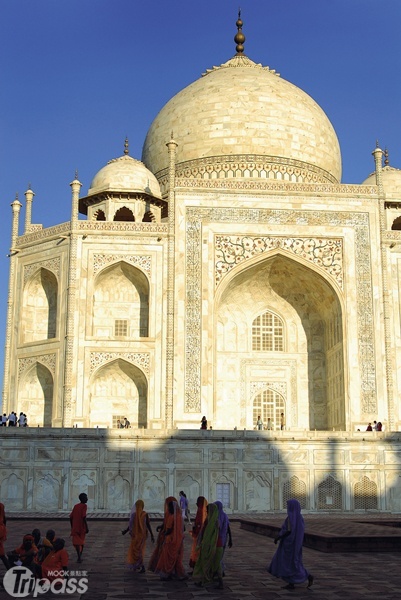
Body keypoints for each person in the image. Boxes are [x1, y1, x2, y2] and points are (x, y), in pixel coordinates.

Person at [268, 498, 314, 590]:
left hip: (289, 544)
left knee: (290, 563)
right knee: (292, 562)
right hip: (295, 544)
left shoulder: (291, 518)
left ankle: (307, 576)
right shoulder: (299, 517)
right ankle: (291, 583)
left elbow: (289, 531)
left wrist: (278, 537)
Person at [153, 498, 186, 580]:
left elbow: (169, 529)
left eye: (169, 507)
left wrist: (164, 534)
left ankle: (167, 572)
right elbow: (183, 528)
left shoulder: (172, 517)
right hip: (178, 540)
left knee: (167, 557)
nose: (168, 509)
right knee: (175, 557)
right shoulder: (179, 517)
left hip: (170, 540)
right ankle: (175, 573)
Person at [193, 503, 224, 589]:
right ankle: (217, 582)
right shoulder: (215, 520)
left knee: (205, 563)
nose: (207, 512)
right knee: (216, 564)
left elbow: (205, 533)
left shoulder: (211, 521)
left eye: (208, 510)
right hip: (218, 545)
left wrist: (202, 543)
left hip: (212, 545)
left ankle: (202, 581)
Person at [122, 499, 154, 572]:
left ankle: (142, 566)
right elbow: (148, 525)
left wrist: (126, 531)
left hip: (136, 536)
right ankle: (137, 565)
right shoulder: (144, 514)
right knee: (139, 551)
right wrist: (152, 535)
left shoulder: (135, 515)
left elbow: (130, 525)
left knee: (137, 551)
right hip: (142, 536)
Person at [189, 496, 208, 572]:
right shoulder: (202, 511)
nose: (196, 503)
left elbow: (200, 524)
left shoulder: (201, 511)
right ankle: (196, 569)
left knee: (197, 552)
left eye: (198, 502)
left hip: (199, 534)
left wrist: (196, 529)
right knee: (196, 551)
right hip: (199, 534)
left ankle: (196, 569)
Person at [214, 500, 232, 576]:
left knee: (217, 557)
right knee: (220, 556)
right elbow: (228, 528)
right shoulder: (224, 515)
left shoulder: (216, 516)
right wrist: (231, 539)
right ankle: (221, 571)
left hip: (218, 539)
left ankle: (220, 573)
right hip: (224, 538)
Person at [70, 492, 89, 563]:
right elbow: (84, 517)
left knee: (77, 542)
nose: (87, 499)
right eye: (86, 497)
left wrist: (72, 526)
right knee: (81, 542)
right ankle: (79, 556)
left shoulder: (76, 506)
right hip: (81, 527)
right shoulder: (84, 506)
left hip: (75, 527)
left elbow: (70, 517)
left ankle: (79, 556)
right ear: (83, 499)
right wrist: (86, 527)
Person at [0, 503, 9, 570]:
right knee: (2, 554)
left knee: (2, 555)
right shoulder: (1, 505)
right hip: (2, 528)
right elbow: (4, 517)